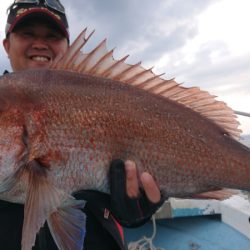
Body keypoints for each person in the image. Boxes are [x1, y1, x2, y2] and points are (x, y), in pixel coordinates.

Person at [1, 1, 163, 249]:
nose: (40, 43)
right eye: (27, 33)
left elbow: (170, 147)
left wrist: (138, 211)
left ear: (67, 46)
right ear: (6, 44)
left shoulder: (105, 92)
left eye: (52, 36)